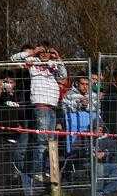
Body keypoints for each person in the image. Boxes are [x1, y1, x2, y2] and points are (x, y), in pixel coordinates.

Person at [22, 41, 67, 183]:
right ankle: (37, 172)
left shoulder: (53, 65)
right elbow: (15, 58)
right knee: (41, 141)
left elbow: (64, 75)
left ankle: (49, 171)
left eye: (47, 52)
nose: (45, 54)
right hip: (41, 105)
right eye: (43, 52)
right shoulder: (33, 62)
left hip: (53, 106)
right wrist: (34, 52)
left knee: (51, 142)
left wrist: (58, 57)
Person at [62, 73, 99, 153]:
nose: (85, 86)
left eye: (87, 84)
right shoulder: (69, 94)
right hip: (73, 128)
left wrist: (87, 105)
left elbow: (98, 110)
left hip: (90, 128)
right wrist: (78, 104)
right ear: (77, 84)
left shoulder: (94, 95)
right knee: (74, 151)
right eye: (82, 84)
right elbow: (64, 108)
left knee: (90, 150)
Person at [100, 68, 117, 166]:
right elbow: (112, 116)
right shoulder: (113, 93)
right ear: (114, 79)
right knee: (115, 167)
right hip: (114, 136)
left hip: (114, 133)